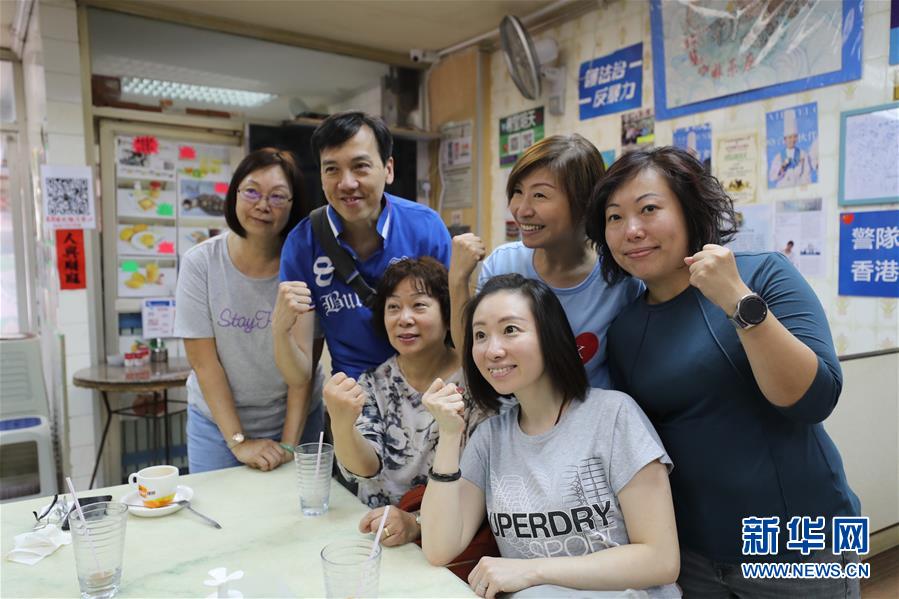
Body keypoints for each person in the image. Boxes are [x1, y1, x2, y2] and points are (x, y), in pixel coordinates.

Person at [586, 146, 861, 597]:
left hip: (799, 549)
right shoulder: (626, 328)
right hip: (693, 556)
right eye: (614, 217)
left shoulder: (762, 274)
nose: (631, 230)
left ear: (689, 210)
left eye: (649, 209)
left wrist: (736, 300)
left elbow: (815, 400)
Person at [421, 274, 681, 598]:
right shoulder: (489, 438)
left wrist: (532, 570)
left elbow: (660, 559)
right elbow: (439, 548)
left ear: (550, 336)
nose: (493, 350)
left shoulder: (614, 415)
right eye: (480, 335)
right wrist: (449, 435)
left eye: (510, 330)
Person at [274, 111, 452, 391]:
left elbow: (453, 330)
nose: (346, 183)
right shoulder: (302, 245)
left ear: (388, 169)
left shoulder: (425, 228)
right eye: (332, 169)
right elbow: (299, 376)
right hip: (355, 399)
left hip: (430, 392)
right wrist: (279, 329)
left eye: (360, 166)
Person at [450, 134, 642, 389]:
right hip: (516, 412)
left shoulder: (619, 276)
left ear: (585, 202)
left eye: (540, 195)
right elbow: (472, 356)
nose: (522, 210)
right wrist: (457, 280)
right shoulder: (503, 263)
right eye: (518, 192)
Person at [175, 148, 324, 473]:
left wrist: (289, 444)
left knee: (296, 505)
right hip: (217, 424)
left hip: (297, 418)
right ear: (235, 194)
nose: (262, 205)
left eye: (277, 196)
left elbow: (307, 365)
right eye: (252, 191)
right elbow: (204, 363)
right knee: (219, 505)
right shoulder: (201, 263)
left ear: (293, 204)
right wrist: (238, 442)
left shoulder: (308, 267)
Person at [325, 257, 491, 547]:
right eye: (393, 307)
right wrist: (341, 424)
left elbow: (481, 485)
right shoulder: (373, 382)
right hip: (377, 535)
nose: (404, 318)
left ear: (447, 315)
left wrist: (416, 523)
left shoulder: (478, 385)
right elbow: (365, 468)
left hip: (449, 539)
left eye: (419, 305)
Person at [768, 108, 813, 188]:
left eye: (794, 137)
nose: (792, 140)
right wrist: (781, 169)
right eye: (789, 137)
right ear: (785, 139)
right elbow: (772, 177)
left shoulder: (803, 154)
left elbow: (807, 175)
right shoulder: (778, 157)